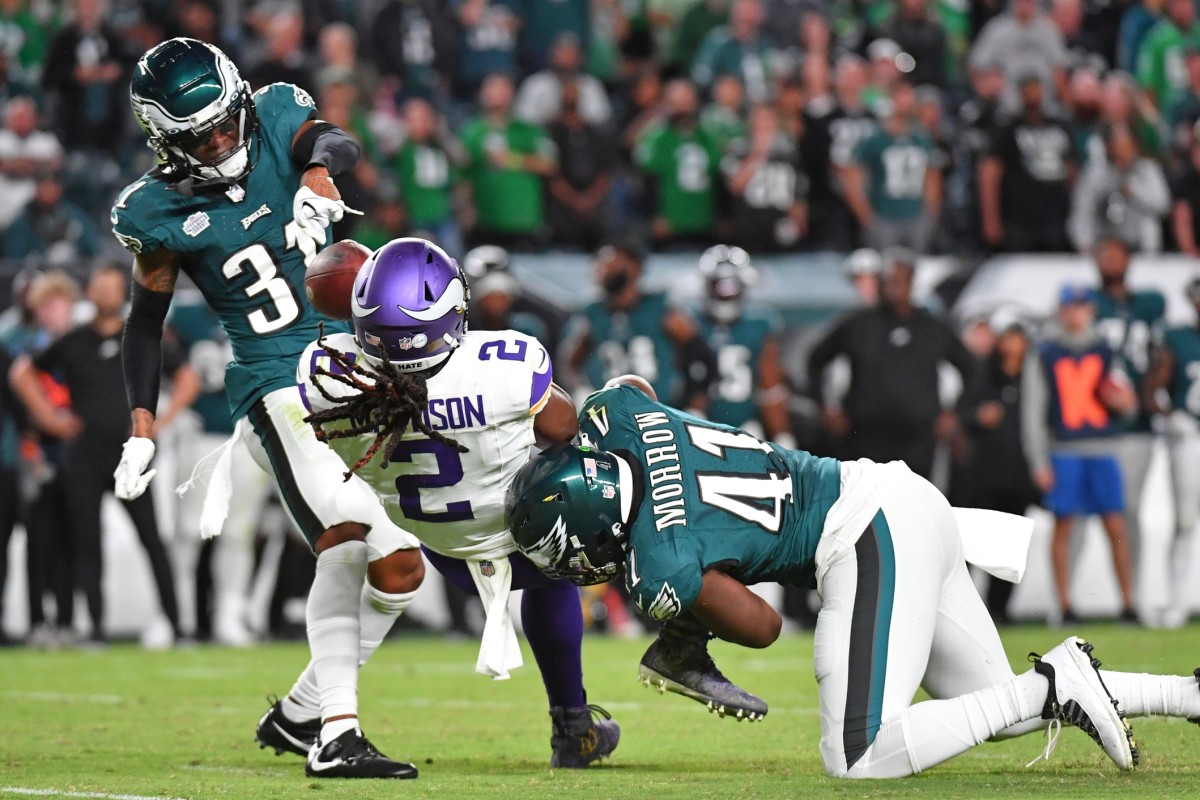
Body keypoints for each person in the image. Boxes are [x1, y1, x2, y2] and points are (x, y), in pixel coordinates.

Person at [506, 375, 1200, 779]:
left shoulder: (659, 561)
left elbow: (761, 625)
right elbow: (633, 390)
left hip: (862, 535)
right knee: (1000, 706)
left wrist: (679, 610)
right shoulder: (616, 417)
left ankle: (1058, 678)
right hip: (895, 495)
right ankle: (1182, 695)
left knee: (858, 752)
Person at [109, 38, 422, 778]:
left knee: (404, 570)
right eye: (201, 137)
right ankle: (336, 737)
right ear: (164, 140)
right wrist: (141, 428)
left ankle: (298, 715)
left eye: (225, 125)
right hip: (275, 385)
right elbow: (143, 325)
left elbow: (333, 140)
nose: (221, 143)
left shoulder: (278, 113)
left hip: (356, 369)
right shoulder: (152, 211)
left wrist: (315, 173)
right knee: (347, 540)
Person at [296, 236, 621, 766]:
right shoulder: (504, 363)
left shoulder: (326, 377)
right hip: (531, 538)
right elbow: (564, 428)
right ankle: (577, 720)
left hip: (445, 550)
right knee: (612, 434)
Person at [9, 265, 182, 647]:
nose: (106, 294)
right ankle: (97, 629)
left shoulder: (138, 335)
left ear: (125, 292)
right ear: (89, 293)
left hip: (130, 453)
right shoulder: (73, 341)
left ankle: (178, 625)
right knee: (87, 542)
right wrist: (49, 419)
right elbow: (23, 373)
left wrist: (158, 422)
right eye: (100, 287)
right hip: (86, 452)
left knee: (153, 539)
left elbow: (187, 375)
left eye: (113, 287)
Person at [1022, 285, 1138, 624]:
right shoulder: (1046, 352)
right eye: (1070, 307)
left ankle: (1128, 603)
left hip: (1102, 448)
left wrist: (1123, 404)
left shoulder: (1105, 350)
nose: (1076, 314)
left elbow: (1126, 403)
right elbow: (1034, 411)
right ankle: (1064, 604)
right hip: (1065, 449)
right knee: (1065, 526)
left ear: (1090, 310)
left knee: (1115, 525)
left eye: (1081, 307)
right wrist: (1039, 460)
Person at [807, 249, 977, 479]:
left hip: (918, 439)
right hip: (864, 437)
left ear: (911, 282)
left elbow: (970, 368)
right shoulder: (858, 325)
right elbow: (816, 359)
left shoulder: (931, 327)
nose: (893, 287)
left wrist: (956, 413)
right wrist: (825, 409)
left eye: (899, 280)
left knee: (913, 505)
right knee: (864, 503)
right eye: (887, 281)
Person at [955, 309, 1041, 625]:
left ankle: (999, 610)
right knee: (971, 545)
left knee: (1008, 548)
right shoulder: (982, 373)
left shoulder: (1034, 377)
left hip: (1018, 471)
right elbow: (962, 411)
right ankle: (963, 609)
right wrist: (979, 416)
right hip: (982, 474)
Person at [1141, 276, 1200, 628]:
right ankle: (1178, 600)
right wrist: (1171, 416)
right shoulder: (1178, 340)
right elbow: (1152, 389)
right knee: (1185, 521)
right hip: (1190, 436)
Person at [693, 245, 792, 446]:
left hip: (746, 427)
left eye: (731, 286)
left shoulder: (760, 323)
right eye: (720, 285)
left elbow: (770, 385)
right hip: (695, 422)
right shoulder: (690, 322)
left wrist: (782, 435)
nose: (725, 293)